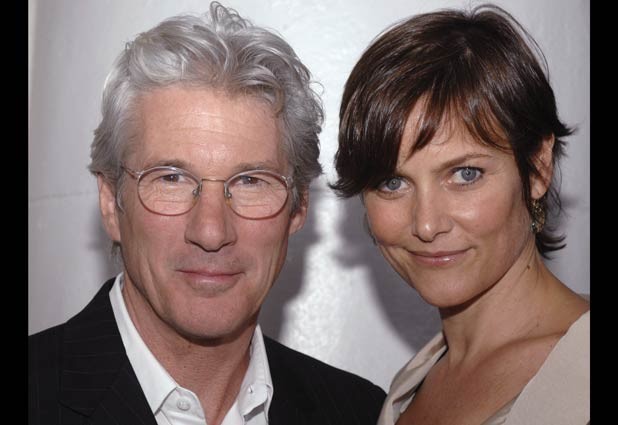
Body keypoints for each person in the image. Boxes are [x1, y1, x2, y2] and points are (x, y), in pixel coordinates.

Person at [28, 3, 386, 424]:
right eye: (171, 178)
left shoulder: (360, 412)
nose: (211, 231)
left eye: (251, 181)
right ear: (111, 202)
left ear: (298, 207)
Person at [331, 4, 589, 424]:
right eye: (393, 183)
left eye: (465, 174)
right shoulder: (408, 388)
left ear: (538, 169)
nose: (427, 224)